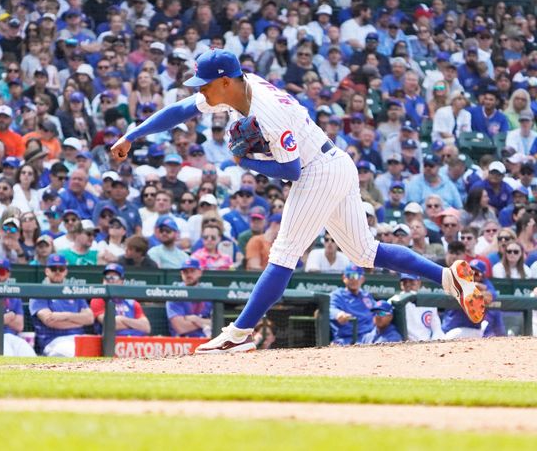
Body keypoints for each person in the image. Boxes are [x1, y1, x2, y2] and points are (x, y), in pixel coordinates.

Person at [109, 48, 484, 354]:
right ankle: (447, 276)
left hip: (318, 170)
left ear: (224, 81)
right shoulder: (238, 86)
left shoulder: (268, 112)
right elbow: (181, 110)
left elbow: (291, 171)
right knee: (365, 252)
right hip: (335, 162)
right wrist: (134, 133)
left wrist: (246, 161)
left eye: (204, 85)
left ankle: (238, 333)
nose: (200, 91)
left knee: (284, 253)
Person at [29, 254, 93, 356]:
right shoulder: (39, 292)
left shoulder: (74, 291)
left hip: (79, 337)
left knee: (101, 352)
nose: (57, 272)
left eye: (61, 269)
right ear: (47, 271)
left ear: (66, 272)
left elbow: (89, 318)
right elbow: (50, 320)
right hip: (53, 340)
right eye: (54, 269)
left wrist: (65, 315)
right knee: (75, 352)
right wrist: (79, 321)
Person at [89, 263, 151, 337]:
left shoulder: (131, 302)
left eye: (114, 277)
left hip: (136, 341)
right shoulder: (98, 299)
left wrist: (122, 319)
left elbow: (146, 327)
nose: (110, 280)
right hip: (111, 341)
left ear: (122, 281)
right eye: (107, 277)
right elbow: (111, 325)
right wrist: (135, 325)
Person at [329, 264, 376, 345]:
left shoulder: (366, 295)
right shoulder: (337, 295)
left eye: (357, 276)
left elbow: (377, 310)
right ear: (344, 278)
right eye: (350, 276)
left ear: (362, 279)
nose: (354, 279)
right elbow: (329, 309)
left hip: (369, 337)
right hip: (346, 338)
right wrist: (338, 314)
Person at [166, 258, 212, 338]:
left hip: (207, 340)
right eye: (185, 272)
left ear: (200, 272)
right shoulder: (174, 294)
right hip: (183, 342)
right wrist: (204, 323)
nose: (188, 275)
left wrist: (195, 319)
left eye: (192, 271)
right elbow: (181, 327)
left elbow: (218, 324)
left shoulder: (208, 293)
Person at [391, 273, 444, 342]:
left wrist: (433, 343)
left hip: (427, 343)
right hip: (404, 344)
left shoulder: (428, 302)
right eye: (404, 281)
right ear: (401, 284)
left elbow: (437, 328)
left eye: (411, 281)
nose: (407, 284)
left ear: (419, 283)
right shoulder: (393, 301)